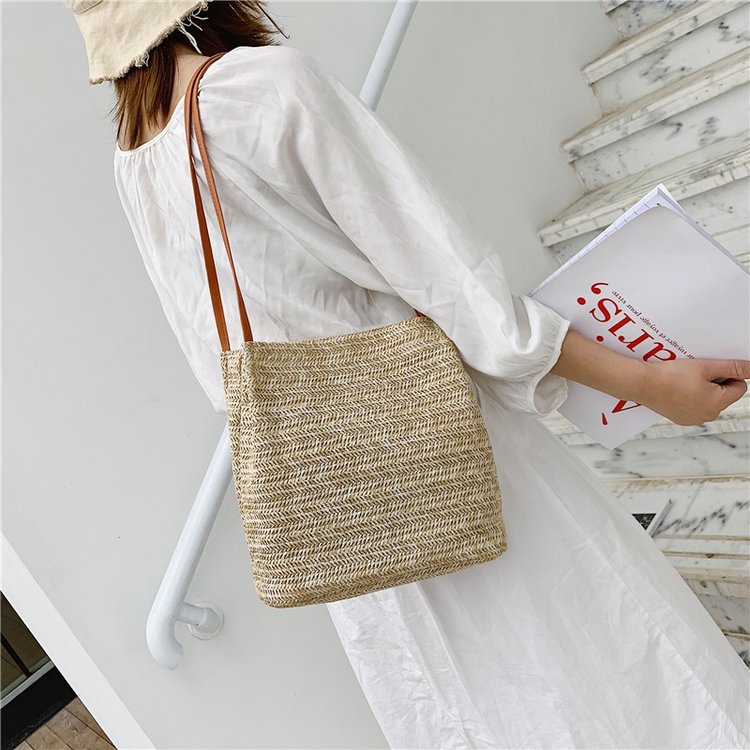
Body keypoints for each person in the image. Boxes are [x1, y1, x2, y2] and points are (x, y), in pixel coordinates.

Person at [65, 1, 750, 747]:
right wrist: (652, 384)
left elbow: (219, 362)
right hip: (446, 450)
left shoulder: (137, 160)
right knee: (616, 670)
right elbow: (458, 290)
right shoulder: (261, 85)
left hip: (341, 511)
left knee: (483, 714)